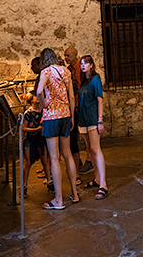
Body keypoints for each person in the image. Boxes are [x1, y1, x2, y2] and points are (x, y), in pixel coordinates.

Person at [37, 47, 79, 209]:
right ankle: (74, 194)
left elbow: (40, 90)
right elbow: (71, 97)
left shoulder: (46, 72)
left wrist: (44, 103)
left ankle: (58, 200)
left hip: (52, 118)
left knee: (54, 158)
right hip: (65, 115)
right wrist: (72, 116)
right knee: (68, 155)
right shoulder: (65, 71)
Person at [78, 55, 108, 200]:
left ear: (91, 65)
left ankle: (103, 184)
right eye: (81, 63)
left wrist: (100, 120)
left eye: (85, 63)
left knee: (96, 149)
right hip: (83, 119)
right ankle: (96, 178)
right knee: (89, 149)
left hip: (92, 118)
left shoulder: (95, 79)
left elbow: (99, 100)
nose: (82, 65)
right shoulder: (84, 81)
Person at [22, 93, 50, 196]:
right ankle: (24, 185)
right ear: (31, 100)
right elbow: (24, 128)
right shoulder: (28, 113)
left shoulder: (43, 111)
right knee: (28, 162)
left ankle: (50, 181)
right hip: (31, 138)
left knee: (45, 160)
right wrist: (36, 129)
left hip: (40, 139)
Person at [64, 46, 83, 183]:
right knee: (72, 138)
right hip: (72, 108)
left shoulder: (80, 69)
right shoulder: (68, 70)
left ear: (75, 55)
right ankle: (76, 164)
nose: (66, 58)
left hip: (80, 106)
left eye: (68, 55)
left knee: (78, 138)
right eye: (65, 55)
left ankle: (80, 166)